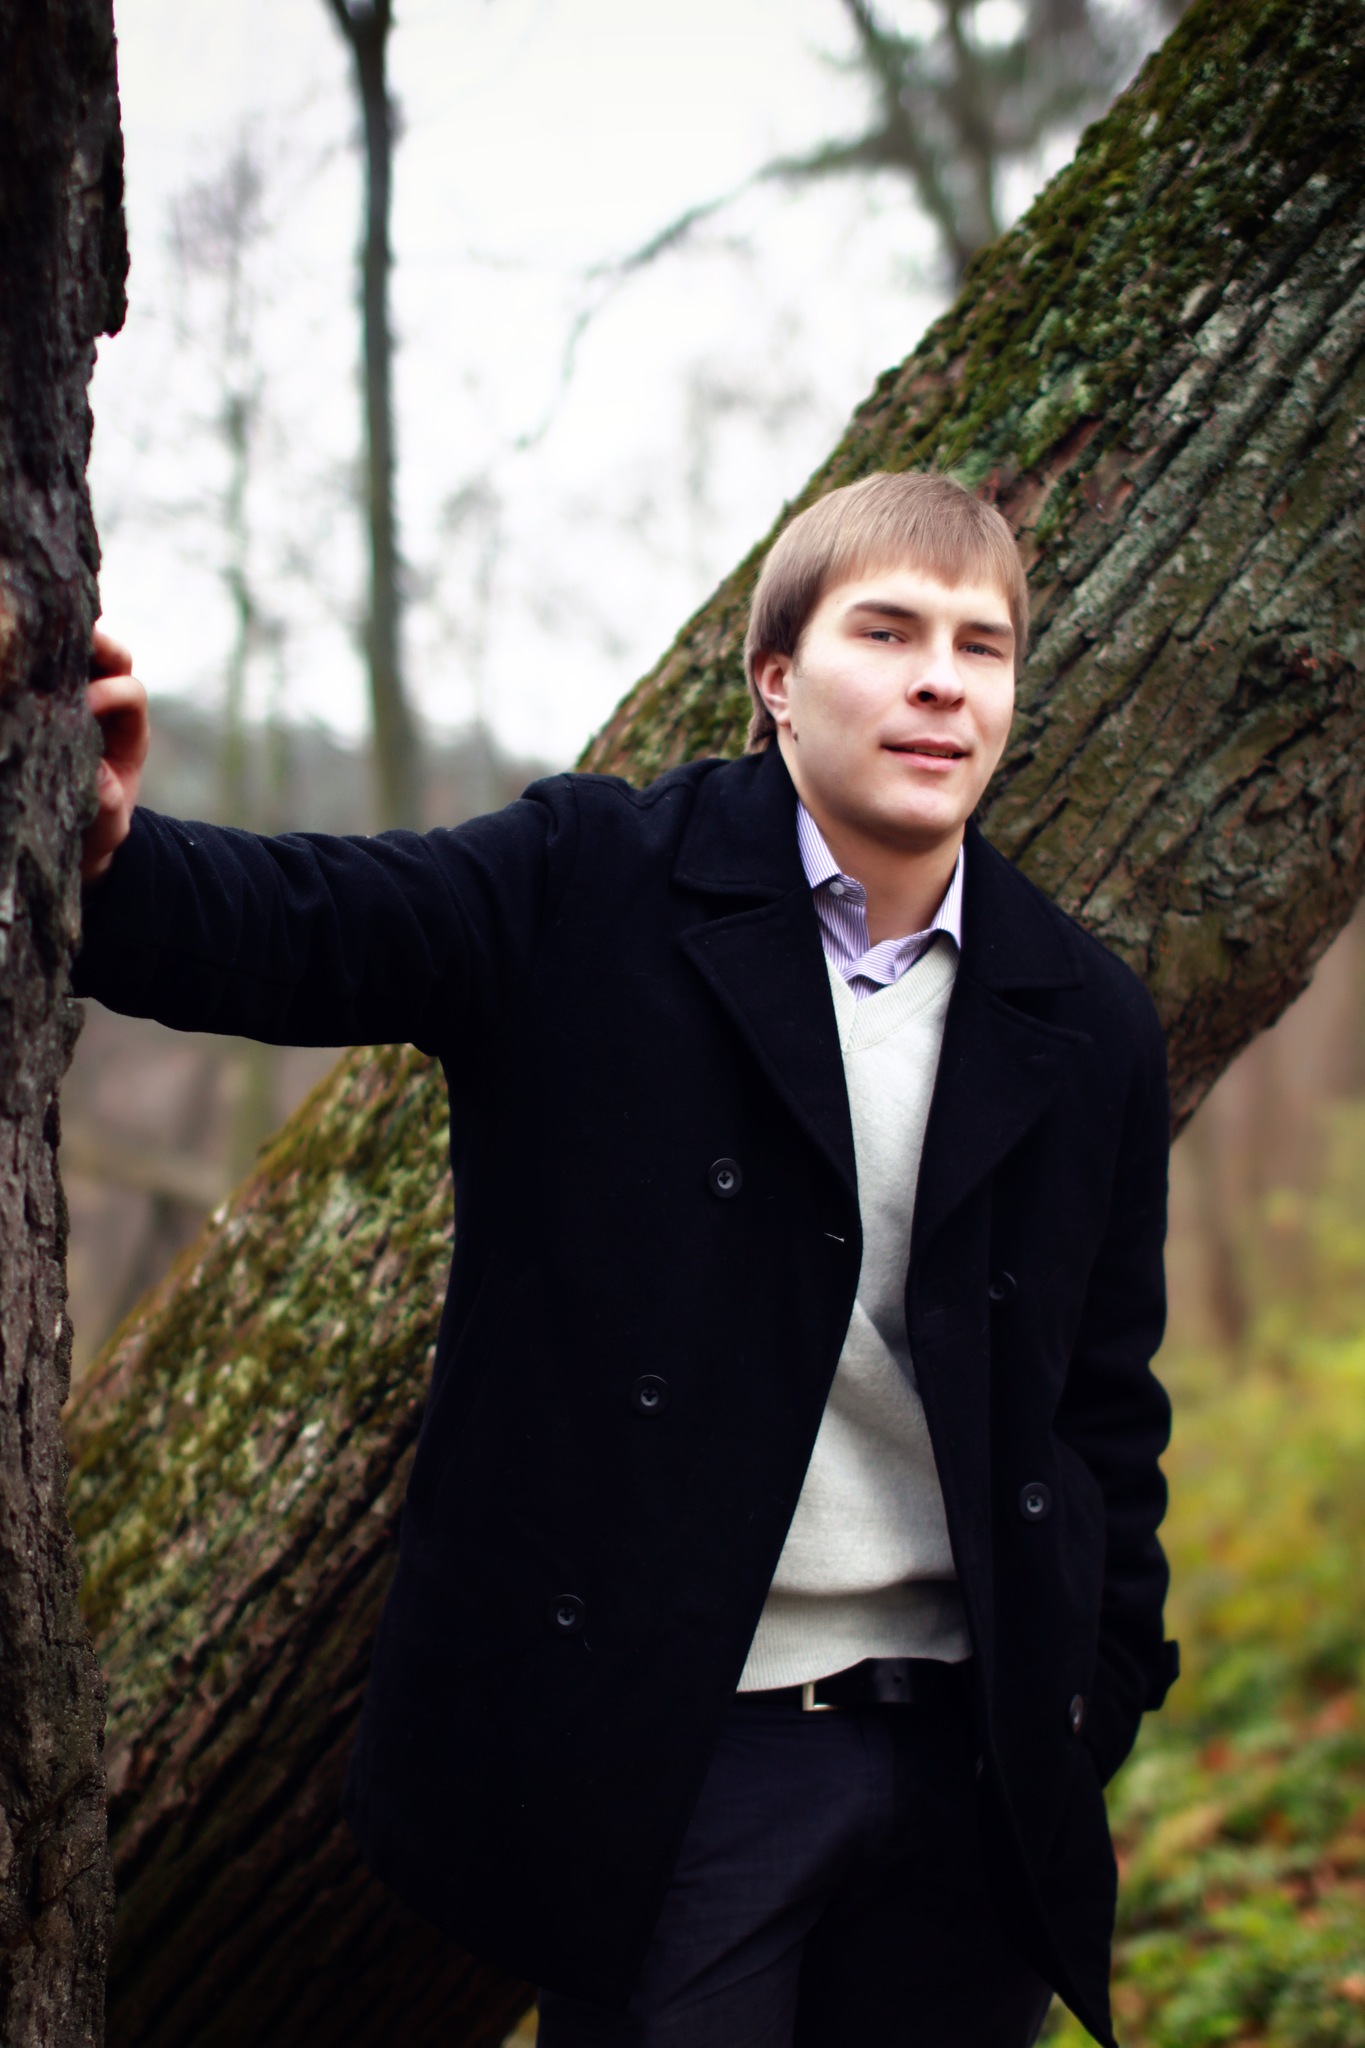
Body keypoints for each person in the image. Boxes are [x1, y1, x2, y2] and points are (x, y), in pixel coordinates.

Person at [79, 470, 1177, 2048]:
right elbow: (309, 924)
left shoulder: (1082, 1016)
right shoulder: (592, 883)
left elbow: (1101, 1407)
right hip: (678, 1765)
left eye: (980, 645)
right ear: (776, 681)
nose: (942, 679)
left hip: (971, 1782)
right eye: (886, 632)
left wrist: (1090, 1694)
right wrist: (108, 851)